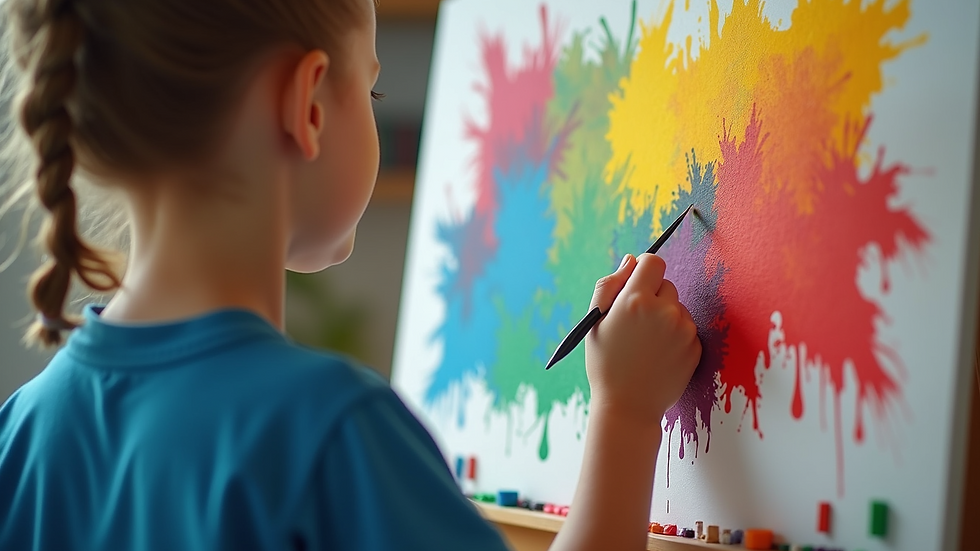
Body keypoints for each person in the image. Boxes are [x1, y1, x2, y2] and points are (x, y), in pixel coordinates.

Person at [0, 0, 702, 549]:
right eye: (371, 90)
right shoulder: (331, 432)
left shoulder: (22, 431)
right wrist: (626, 413)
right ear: (307, 106)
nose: (372, 105)